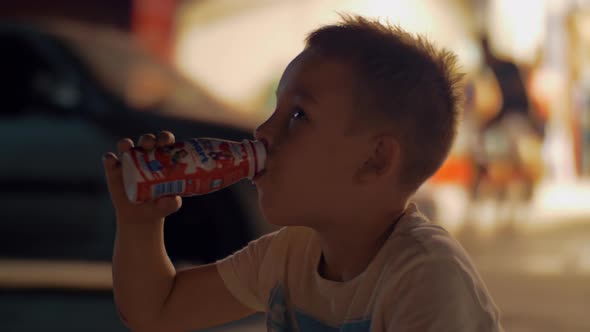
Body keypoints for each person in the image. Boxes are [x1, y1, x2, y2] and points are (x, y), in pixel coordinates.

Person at [103, 15, 504, 331]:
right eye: (276, 109)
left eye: (298, 115)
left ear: (375, 159)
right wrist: (140, 222)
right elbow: (156, 311)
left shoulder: (426, 279)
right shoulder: (288, 255)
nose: (262, 131)